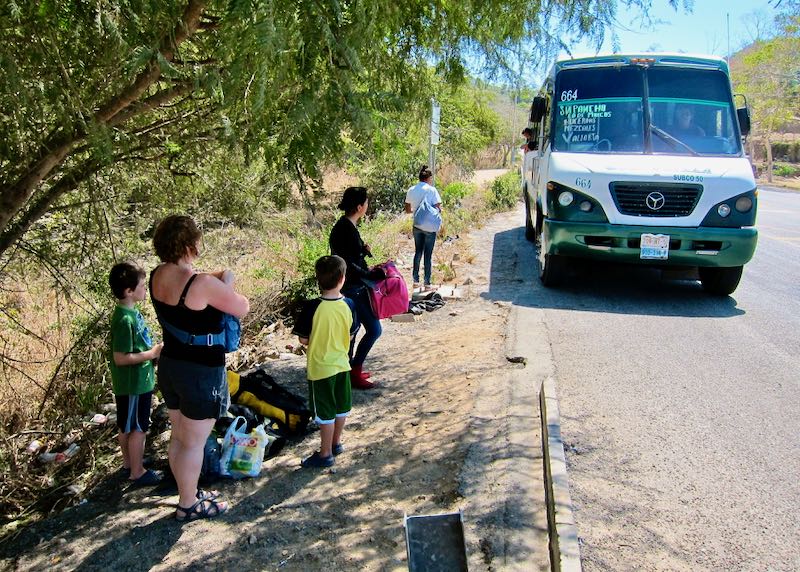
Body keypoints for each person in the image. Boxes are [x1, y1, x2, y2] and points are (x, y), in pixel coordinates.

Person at [150, 214, 249, 522]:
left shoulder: (156, 275)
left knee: (179, 436)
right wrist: (228, 282)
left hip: (171, 366)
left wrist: (216, 279)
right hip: (201, 371)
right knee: (192, 441)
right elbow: (241, 307)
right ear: (190, 245)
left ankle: (187, 494)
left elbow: (193, 286)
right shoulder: (201, 284)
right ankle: (188, 504)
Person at [292, 255, 357, 468]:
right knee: (340, 406)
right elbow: (350, 334)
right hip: (342, 364)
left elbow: (303, 338)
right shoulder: (349, 304)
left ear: (318, 280)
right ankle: (336, 443)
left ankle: (325, 453)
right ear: (342, 279)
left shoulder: (312, 307)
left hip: (321, 368)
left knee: (325, 411)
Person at [108, 262, 164, 485]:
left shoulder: (131, 313)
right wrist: (151, 354)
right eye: (141, 286)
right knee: (138, 427)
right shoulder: (124, 319)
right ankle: (137, 471)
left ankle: (129, 462)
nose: (144, 289)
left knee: (127, 425)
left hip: (138, 382)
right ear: (129, 291)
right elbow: (120, 358)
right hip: (134, 384)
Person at [329, 186, 385, 390]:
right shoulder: (346, 230)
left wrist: (363, 250)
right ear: (360, 206)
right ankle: (352, 372)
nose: (368, 206)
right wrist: (371, 274)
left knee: (354, 330)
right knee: (373, 329)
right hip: (353, 288)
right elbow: (349, 263)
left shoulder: (346, 225)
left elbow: (350, 255)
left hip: (350, 286)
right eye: (367, 203)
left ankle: (350, 370)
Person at [404, 165, 443, 291]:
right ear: (429, 178)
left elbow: (408, 210)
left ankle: (415, 281)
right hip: (430, 227)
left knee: (418, 252)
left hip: (417, 224)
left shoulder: (411, 190)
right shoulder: (432, 190)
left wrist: (417, 210)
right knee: (428, 255)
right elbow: (438, 208)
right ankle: (427, 283)